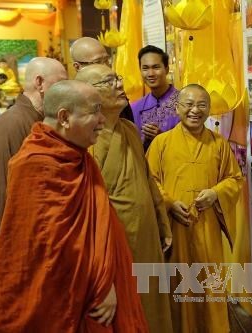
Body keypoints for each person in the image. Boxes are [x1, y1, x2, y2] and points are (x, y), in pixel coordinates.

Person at [0, 80, 148, 331]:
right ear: (64, 117)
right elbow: (53, 248)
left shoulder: (77, 155)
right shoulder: (35, 164)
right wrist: (101, 286)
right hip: (72, 295)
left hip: (98, 286)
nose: (101, 120)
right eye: (94, 111)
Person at [76, 64, 173, 333]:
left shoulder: (129, 128)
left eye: (117, 78)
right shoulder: (86, 141)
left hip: (147, 238)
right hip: (118, 246)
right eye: (109, 81)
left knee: (154, 306)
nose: (121, 85)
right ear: (88, 94)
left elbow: (147, 180)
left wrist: (161, 222)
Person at [146, 84, 243, 333]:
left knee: (210, 288)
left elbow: (235, 179)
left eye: (202, 105)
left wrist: (215, 193)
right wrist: (168, 202)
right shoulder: (160, 143)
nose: (195, 110)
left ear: (209, 110)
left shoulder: (219, 143)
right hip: (174, 229)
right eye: (188, 104)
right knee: (179, 288)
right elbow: (150, 181)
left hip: (207, 226)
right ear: (177, 108)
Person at [0, 57, 67, 229]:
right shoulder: (13, 123)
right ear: (40, 83)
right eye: (61, 83)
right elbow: (3, 189)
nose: (65, 91)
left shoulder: (43, 119)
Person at [70, 36, 134, 122]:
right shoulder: (73, 98)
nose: (106, 66)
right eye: (98, 62)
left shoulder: (117, 91)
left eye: (107, 60)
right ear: (77, 67)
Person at [131, 45, 180, 150]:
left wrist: (161, 137)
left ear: (166, 69)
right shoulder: (135, 108)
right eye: (145, 68)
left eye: (156, 67)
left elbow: (191, 143)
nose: (150, 73)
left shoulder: (184, 103)